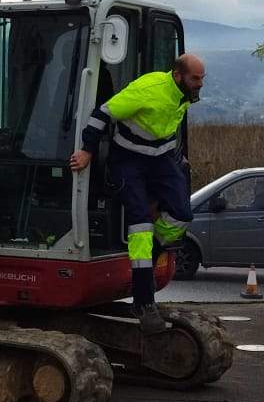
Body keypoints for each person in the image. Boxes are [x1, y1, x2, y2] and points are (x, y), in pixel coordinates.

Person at [69, 53, 206, 334]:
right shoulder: (148, 90)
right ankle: (144, 303)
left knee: (182, 214)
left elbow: (167, 128)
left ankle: (151, 254)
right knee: (141, 224)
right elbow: (101, 114)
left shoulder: (184, 94)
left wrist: (178, 157)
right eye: (196, 79)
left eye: (202, 79)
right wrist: (87, 151)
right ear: (178, 76)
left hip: (160, 159)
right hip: (127, 161)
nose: (200, 84)